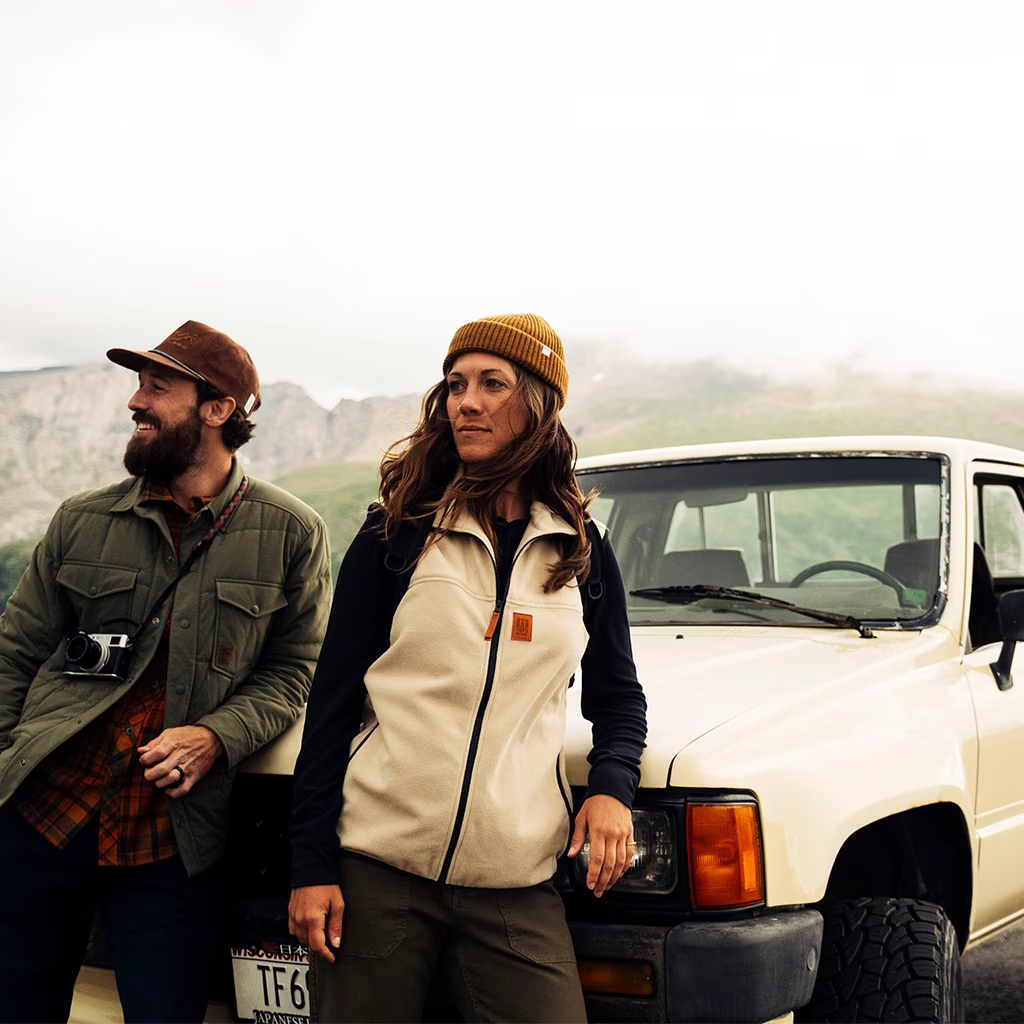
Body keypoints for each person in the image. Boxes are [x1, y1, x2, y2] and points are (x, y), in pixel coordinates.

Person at [288, 313, 648, 1023]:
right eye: (456, 384)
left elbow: (618, 698)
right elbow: (330, 708)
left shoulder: (582, 548)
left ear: (538, 403)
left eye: (492, 383)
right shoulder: (396, 533)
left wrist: (612, 789)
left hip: (515, 880)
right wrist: (312, 867)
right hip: (379, 871)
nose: (467, 402)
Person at [0, 320, 332, 1024]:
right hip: (42, 816)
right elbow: (15, 654)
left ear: (218, 409)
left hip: (169, 838)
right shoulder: (81, 519)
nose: (135, 402)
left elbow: (293, 669)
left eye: (157, 388)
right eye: (138, 386)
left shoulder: (292, 532)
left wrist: (216, 736)